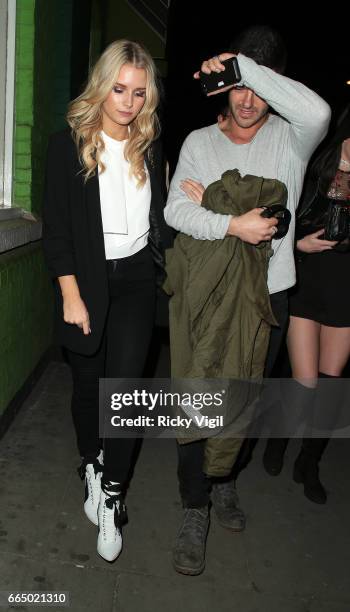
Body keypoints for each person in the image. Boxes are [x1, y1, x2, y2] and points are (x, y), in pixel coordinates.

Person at [164, 24, 331, 575]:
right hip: (205, 297)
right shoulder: (197, 143)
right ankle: (195, 507)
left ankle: (226, 481)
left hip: (268, 297)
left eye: (257, 86)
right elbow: (176, 213)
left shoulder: (291, 138)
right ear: (222, 90)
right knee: (197, 397)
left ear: (270, 81)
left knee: (246, 400)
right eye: (237, 86)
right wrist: (231, 222)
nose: (246, 100)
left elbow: (320, 113)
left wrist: (244, 65)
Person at [42, 39, 171, 563]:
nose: (128, 102)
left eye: (139, 93)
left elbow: (158, 218)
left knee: (126, 394)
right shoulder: (67, 144)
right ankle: (91, 463)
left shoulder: (152, 144)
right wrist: (70, 294)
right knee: (87, 387)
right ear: (102, 86)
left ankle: (113, 491)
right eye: (119, 89)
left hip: (138, 280)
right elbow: (57, 233)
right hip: (87, 282)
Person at [263, 107, 350, 504]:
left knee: (331, 383)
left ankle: (308, 463)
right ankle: (279, 440)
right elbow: (286, 215)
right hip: (308, 279)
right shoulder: (317, 161)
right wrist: (299, 243)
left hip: (345, 286)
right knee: (305, 381)